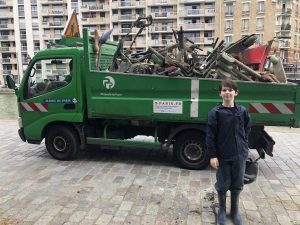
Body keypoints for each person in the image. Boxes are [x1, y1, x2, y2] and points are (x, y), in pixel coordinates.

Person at [206, 79, 251, 225]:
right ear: (220, 93)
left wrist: (244, 144)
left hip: (240, 155)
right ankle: (222, 211)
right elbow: (210, 135)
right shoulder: (215, 113)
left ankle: (235, 211)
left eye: (230, 90)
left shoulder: (242, 111)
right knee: (223, 184)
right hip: (223, 156)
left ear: (236, 93)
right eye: (224, 90)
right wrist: (213, 155)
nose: (227, 93)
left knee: (237, 184)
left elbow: (247, 128)